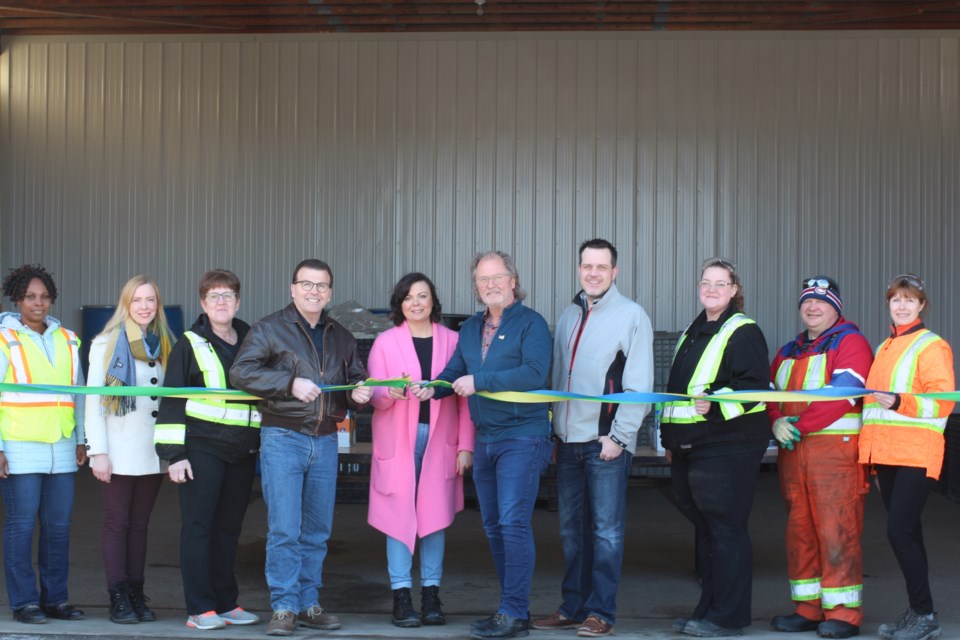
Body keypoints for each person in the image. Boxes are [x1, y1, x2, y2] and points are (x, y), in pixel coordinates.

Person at [229, 258, 372, 637]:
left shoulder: (341, 335)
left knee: (317, 530)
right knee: (284, 529)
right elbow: (241, 372)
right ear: (292, 289)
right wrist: (289, 383)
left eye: (321, 286)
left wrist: (360, 394)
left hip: (325, 439)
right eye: (306, 284)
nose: (314, 292)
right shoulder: (269, 328)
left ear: (330, 293)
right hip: (283, 437)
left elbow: (354, 380)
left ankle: (309, 603)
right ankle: (284, 606)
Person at [415, 250, 553, 640]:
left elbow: (534, 373)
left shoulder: (532, 323)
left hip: (522, 436)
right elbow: (457, 368)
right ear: (476, 286)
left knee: (512, 523)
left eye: (497, 277)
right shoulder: (471, 328)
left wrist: (482, 381)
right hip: (486, 436)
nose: (490, 285)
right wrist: (433, 387)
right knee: (493, 526)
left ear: (513, 280)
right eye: (482, 279)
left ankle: (514, 612)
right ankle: (511, 610)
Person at [532, 239, 653, 638]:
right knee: (571, 531)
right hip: (568, 442)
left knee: (606, 532)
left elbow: (639, 387)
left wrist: (618, 437)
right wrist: (554, 431)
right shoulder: (568, 315)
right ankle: (574, 606)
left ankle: (601, 612)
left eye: (602, 267)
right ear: (579, 268)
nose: (594, 273)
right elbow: (557, 379)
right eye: (587, 266)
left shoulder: (632, 315)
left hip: (605, 444)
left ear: (614, 271)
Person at [660, 257, 771, 638]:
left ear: (734, 290)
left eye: (720, 284)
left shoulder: (743, 331)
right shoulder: (695, 330)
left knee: (726, 530)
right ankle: (708, 608)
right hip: (691, 445)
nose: (711, 289)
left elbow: (756, 388)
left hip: (727, 447)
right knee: (708, 531)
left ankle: (729, 616)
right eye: (706, 282)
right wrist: (668, 440)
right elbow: (677, 392)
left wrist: (719, 402)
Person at [154, 269, 262, 631]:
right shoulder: (189, 343)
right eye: (214, 296)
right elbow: (171, 401)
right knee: (199, 528)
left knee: (228, 530)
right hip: (202, 449)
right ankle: (200, 608)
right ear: (203, 303)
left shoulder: (251, 339)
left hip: (242, 450)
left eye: (228, 295)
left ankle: (226, 603)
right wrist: (174, 454)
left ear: (238, 302)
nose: (221, 302)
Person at [366, 272, 474, 628]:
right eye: (409, 297)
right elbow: (374, 396)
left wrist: (465, 447)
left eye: (423, 296)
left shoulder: (454, 340)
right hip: (397, 441)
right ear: (399, 303)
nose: (416, 303)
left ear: (433, 302)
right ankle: (401, 597)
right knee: (398, 519)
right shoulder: (384, 342)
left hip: (440, 440)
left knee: (433, 519)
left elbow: (464, 401)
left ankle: (431, 596)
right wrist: (388, 394)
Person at [767, 276, 873, 639]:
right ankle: (809, 608)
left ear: (836, 308)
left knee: (837, 531)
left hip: (836, 454)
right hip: (794, 452)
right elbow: (766, 394)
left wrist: (796, 424)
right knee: (800, 532)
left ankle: (844, 614)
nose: (812, 307)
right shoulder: (788, 349)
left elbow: (844, 393)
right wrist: (776, 422)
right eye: (807, 302)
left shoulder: (851, 342)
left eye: (821, 302)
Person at [859, 273, 954, 640]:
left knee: (899, 531)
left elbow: (942, 401)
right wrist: (872, 459)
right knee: (908, 532)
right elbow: (873, 409)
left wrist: (900, 401)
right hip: (888, 455)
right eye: (896, 300)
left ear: (921, 305)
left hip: (916, 453)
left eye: (909, 300)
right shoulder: (886, 346)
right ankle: (919, 612)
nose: (901, 306)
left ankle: (924, 614)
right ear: (888, 304)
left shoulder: (931, 346)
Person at [85, 275, 176, 624]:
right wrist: (98, 452)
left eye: (150, 300)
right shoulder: (105, 342)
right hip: (119, 448)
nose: (144, 306)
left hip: (152, 449)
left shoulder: (165, 343)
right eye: (137, 300)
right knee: (116, 523)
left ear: (158, 305)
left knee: (140, 525)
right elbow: (93, 402)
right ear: (126, 303)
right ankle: (118, 596)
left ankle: (136, 593)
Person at [0, 264, 86, 624]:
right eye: (30, 297)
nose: (38, 303)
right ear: (18, 298)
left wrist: (82, 439)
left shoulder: (67, 338)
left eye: (44, 297)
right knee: (21, 526)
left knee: (59, 528)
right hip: (19, 445)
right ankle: (24, 603)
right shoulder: (4, 337)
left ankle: (56, 599)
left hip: (62, 445)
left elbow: (79, 392)